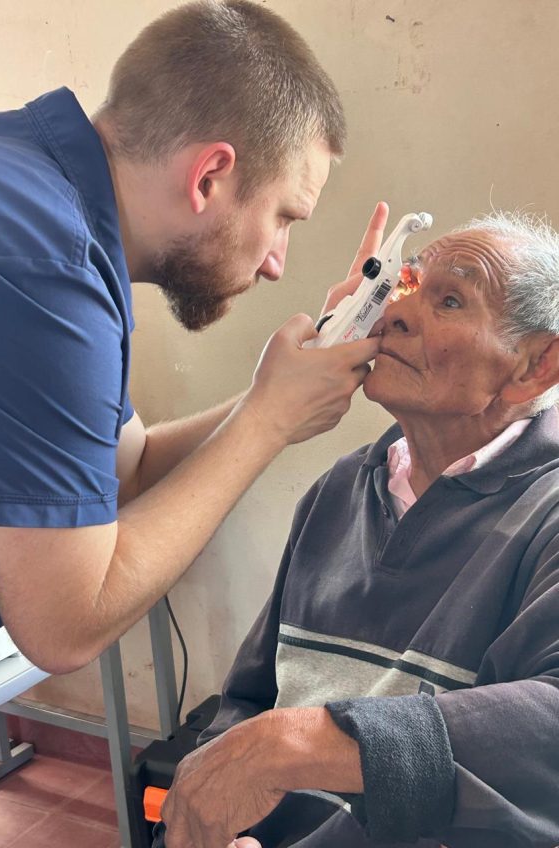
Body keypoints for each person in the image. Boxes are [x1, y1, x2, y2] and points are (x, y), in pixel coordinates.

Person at [0, 2, 386, 844]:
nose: (277, 261)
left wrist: (279, 391)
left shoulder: (25, 185)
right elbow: (65, 624)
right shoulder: (43, 266)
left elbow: (127, 466)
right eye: (284, 217)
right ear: (210, 176)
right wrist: (266, 425)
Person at [161, 212, 559, 848]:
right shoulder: (341, 488)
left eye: (450, 300)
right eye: (404, 284)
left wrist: (290, 746)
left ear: (533, 367)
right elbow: (251, 698)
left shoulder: (547, 513)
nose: (395, 312)